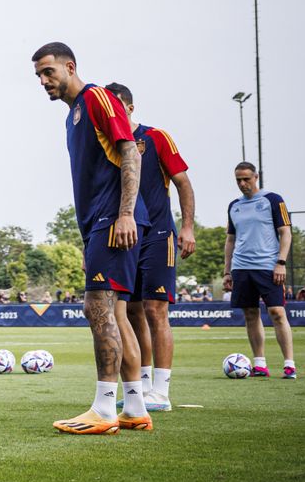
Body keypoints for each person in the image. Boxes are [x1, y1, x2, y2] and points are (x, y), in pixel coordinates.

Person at [32, 43, 150, 434]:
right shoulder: (72, 117)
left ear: (70, 66)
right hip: (100, 224)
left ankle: (103, 409)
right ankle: (134, 407)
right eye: (39, 76)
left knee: (96, 308)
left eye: (49, 72)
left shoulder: (97, 97)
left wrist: (125, 214)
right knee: (115, 314)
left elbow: (129, 151)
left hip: (114, 219)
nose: (44, 81)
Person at [105, 83, 196, 411]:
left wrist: (186, 227)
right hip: (128, 237)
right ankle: (141, 387)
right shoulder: (110, 143)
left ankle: (162, 391)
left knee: (156, 311)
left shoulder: (156, 137)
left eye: (115, 106)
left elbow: (184, 182)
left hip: (159, 234)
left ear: (129, 107)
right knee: (131, 311)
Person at [223, 162, 295, 379]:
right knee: (250, 314)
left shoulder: (273, 199)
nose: (242, 183)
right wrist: (227, 271)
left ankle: (289, 365)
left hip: (268, 266)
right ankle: (260, 364)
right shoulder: (233, 205)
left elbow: (286, 233)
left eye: (246, 178)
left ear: (256, 177)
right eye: (238, 180)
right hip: (241, 268)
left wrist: (280, 262)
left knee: (277, 313)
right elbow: (231, 240)